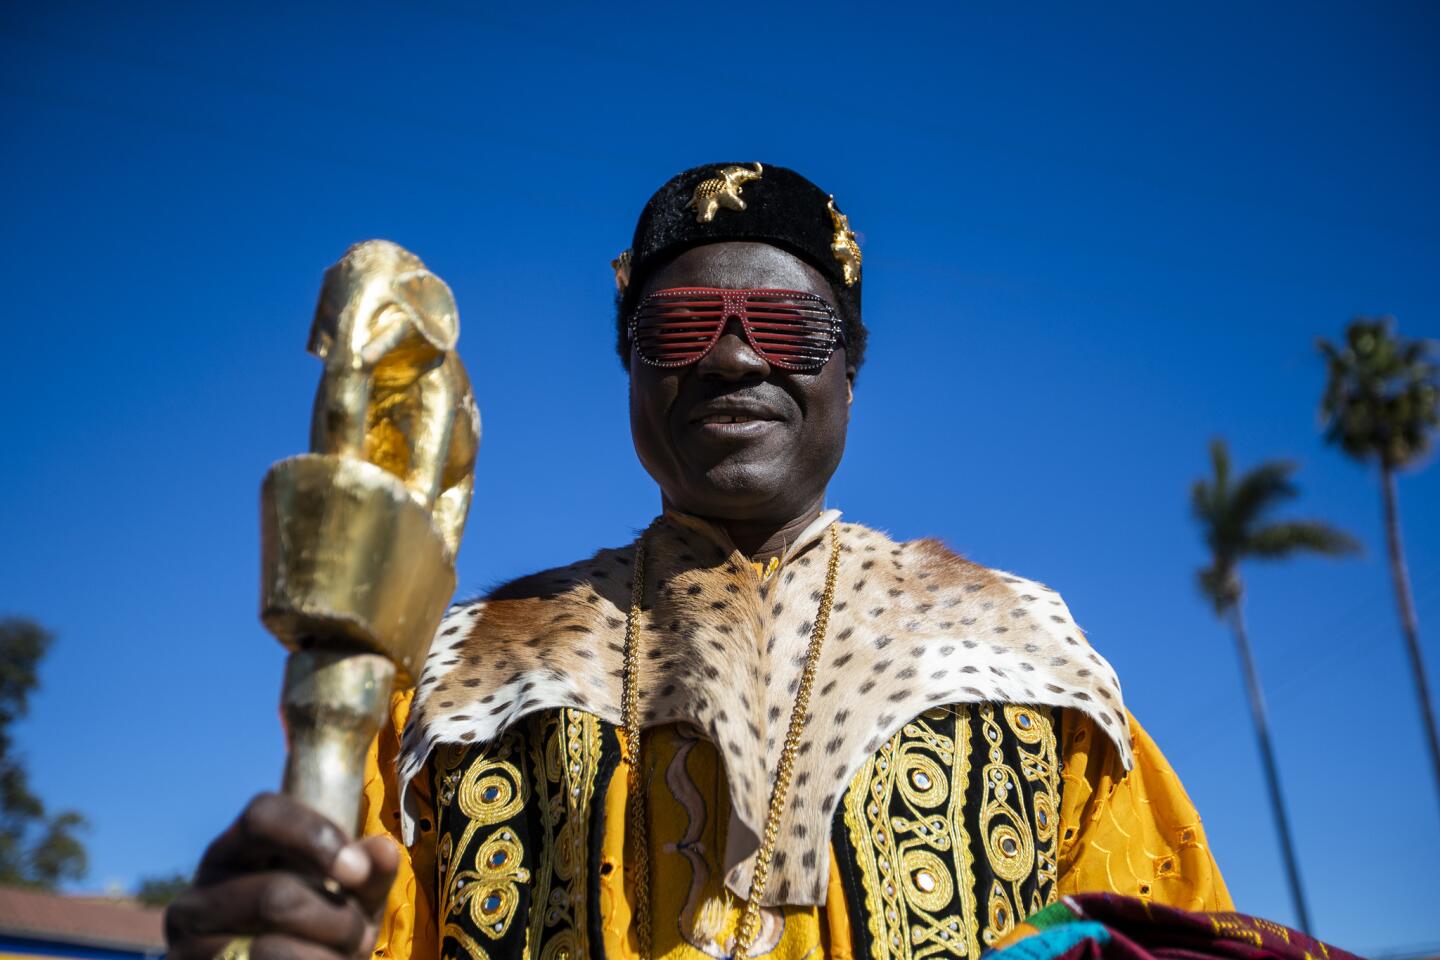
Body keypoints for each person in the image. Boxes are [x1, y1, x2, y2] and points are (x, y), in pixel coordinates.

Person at [166, 162, 1230, 960]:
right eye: (678, 325)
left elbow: (1159, 934)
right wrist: (263, 939)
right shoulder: (462, 677)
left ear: (849, 372)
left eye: (787, 323)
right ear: (630, 367)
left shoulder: (1022, 656)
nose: (732, 355)